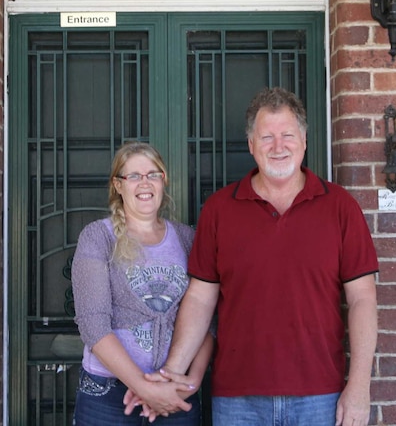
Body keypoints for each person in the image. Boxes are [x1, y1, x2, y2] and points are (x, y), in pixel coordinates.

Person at [144, 87, 379, 426]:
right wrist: (171, 375)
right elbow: (199, 300)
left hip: (320, 396)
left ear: (304, 141)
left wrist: (359, 387)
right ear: (252, 145)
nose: (278, 146)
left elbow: (362, 301)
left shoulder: (340, 207)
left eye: (287, 135)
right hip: (237, 399)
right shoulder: (220, 210)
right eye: (266, 137)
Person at [71, 141, 214, 425]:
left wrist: (192, 380)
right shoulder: (98, 237)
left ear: (164, 181)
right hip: (108, 395)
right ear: (118, 185)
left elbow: (208, 320)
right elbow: (93, 324)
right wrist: (144, 387)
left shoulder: (187, 238)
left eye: (153, 174)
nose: (144, 182)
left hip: (175, 392)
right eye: (133, 175)